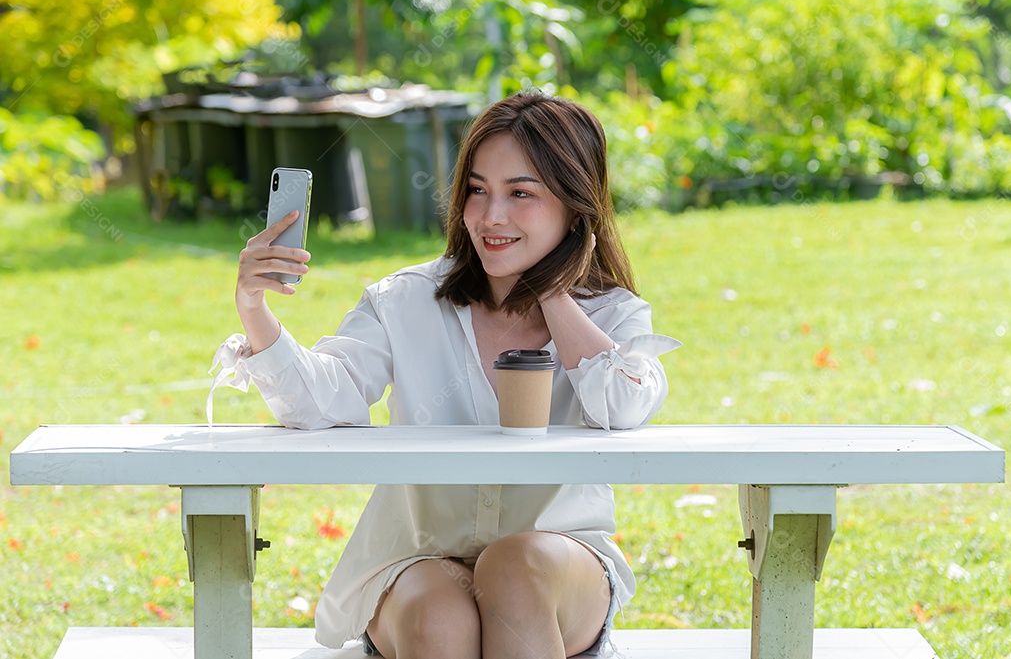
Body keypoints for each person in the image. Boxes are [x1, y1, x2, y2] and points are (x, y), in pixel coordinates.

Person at [208, 91, 680, 659]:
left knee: (513, 568)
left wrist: (553, 292)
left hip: (557, 565)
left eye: (520, 193)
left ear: (575, 207)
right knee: (442, 614)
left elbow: (624, 407)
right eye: (477, 190)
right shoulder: (405, 300)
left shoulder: (614, 313)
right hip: (417, 563)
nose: (490, 216)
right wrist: (255, 310)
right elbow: (320, 403)